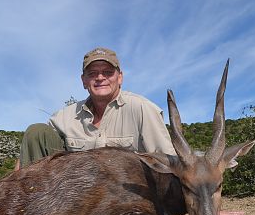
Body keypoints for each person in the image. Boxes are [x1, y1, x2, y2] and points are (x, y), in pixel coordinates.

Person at [19, 47, 175, 168]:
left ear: (120, 77)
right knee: (36, 132)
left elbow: (168, 162)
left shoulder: (142, 108)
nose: (100, 78)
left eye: (108, 72)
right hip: (79, 195)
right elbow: (30, 150)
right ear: (84, 80)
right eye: (93, 73)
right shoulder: (66, 116)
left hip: (127, 197)